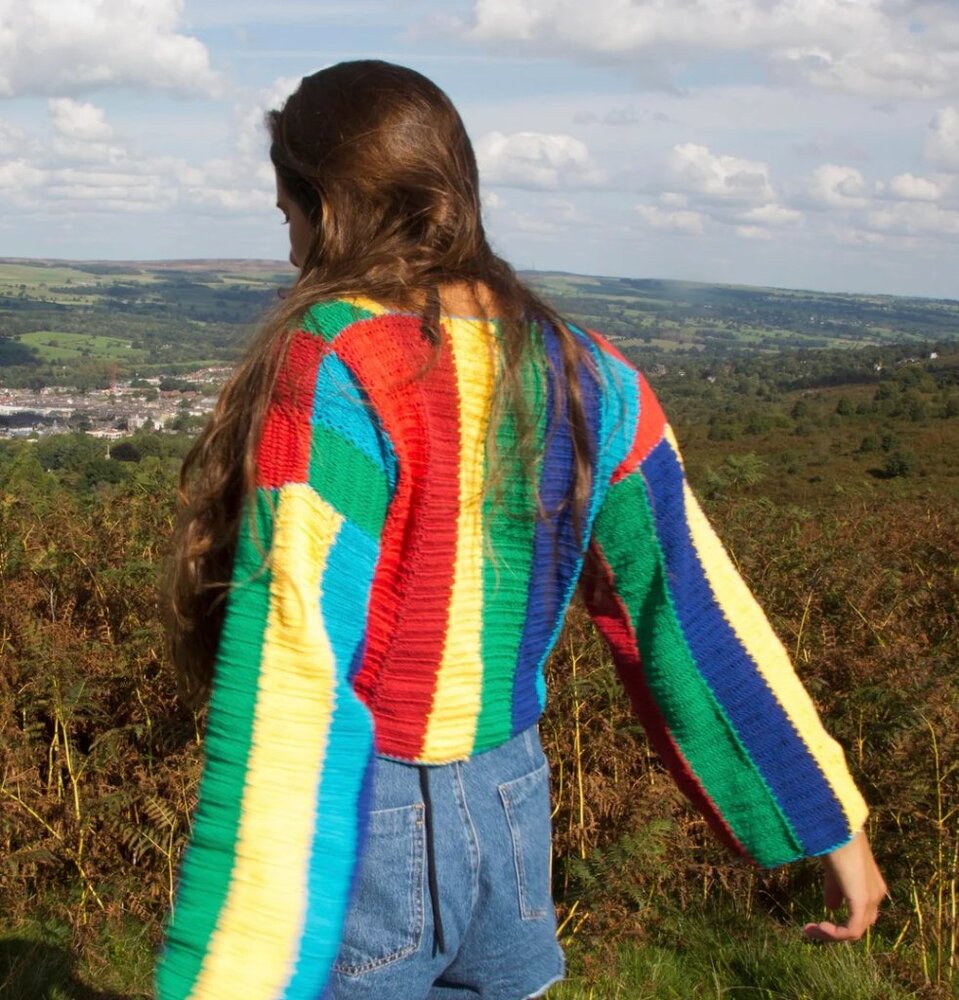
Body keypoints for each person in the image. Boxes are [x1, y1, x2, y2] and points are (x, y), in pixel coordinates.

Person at [157, 59, 887, 1000]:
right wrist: (835, 827)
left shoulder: (337, 360)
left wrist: (237, 964)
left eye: (287, 201)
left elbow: (296, 660)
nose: (284, 226)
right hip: (512, 807)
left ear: (328, 206)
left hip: (366, 815)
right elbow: (695, 616)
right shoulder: (593, 371)